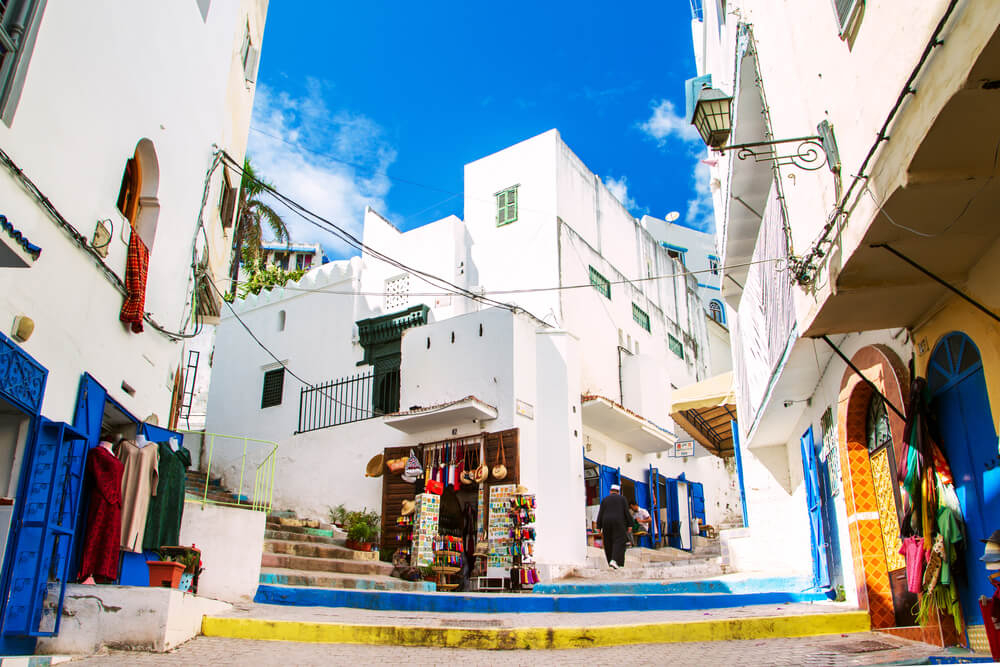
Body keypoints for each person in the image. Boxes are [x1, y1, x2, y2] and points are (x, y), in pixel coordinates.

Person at [596, 484, 630, 569]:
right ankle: (614, 560)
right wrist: (630, 524)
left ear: (610, 491)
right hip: (619, 522)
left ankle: (610, 562)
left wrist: (598, 526)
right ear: (618, 492)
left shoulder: (605, 500)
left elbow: (601, 513)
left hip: (606, 522)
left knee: (608, 542)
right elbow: (626, 512)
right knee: (619, 540)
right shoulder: (622, 499)